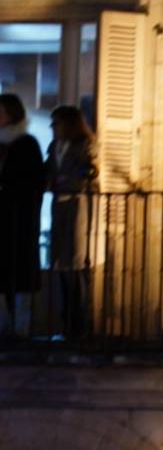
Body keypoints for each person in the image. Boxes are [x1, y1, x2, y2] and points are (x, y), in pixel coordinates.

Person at [45, 104, 97, 338]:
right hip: (59, 205)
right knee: (61, 264)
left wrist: (68, 178)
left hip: (76, 205)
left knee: (75, 261)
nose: (53, 128)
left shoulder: (84, 145)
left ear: (68, 124)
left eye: (56, 123)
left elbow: (88, 171)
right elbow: (48, 172)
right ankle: (66, 322)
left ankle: (79, 324)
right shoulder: (54, 146)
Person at [0, 93, 43, 339]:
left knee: (20, 276)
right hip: (4, 221)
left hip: (19, 222)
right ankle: (6, 329)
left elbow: (30, 183)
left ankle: (21, 331)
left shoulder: (26, 144)